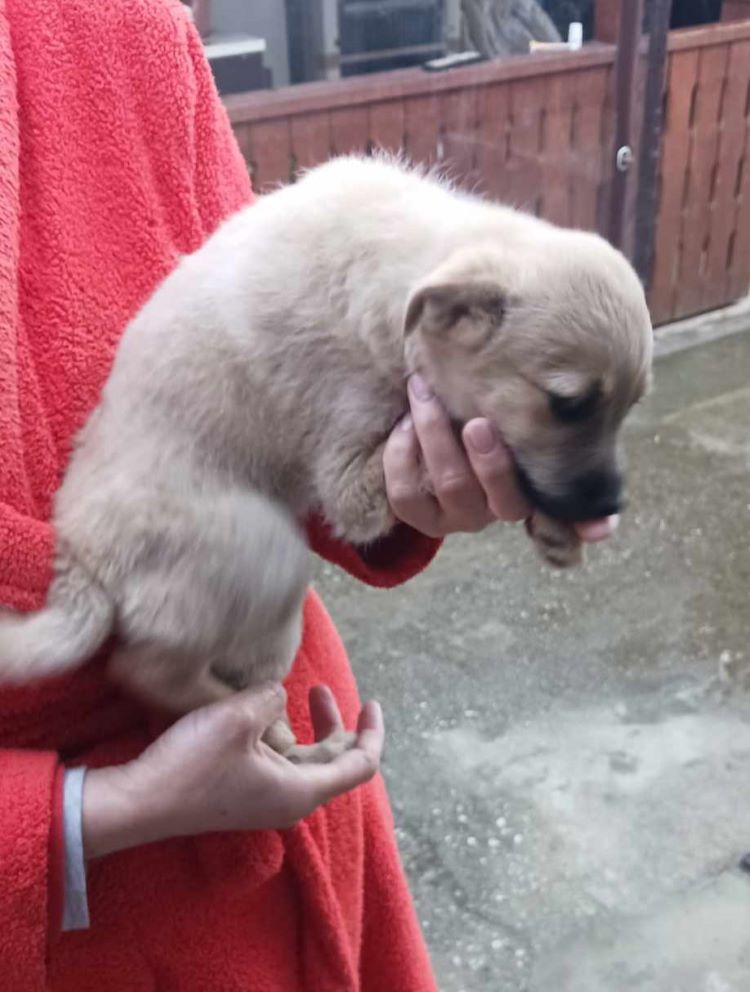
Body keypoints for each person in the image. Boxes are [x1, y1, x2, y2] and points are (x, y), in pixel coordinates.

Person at [0, 2, 615, 989]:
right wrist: (90, 814)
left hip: (280, 773)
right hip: (82, 913)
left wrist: (416, 474)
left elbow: (282, 382)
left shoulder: (127, 24)